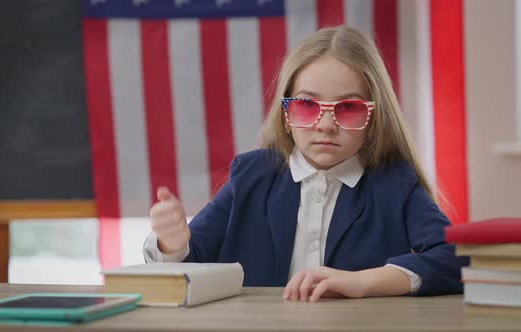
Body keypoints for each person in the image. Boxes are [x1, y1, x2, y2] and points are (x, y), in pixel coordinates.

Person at [142, 26, 468, 301]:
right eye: (307, 106)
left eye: (348, 108)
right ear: (286, 116)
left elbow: (457, 260)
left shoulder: (395, 183)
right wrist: (171, 243)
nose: (325, 125)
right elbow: (191, 259)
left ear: (373, 119)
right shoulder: (250, 176)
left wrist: (360, 283)